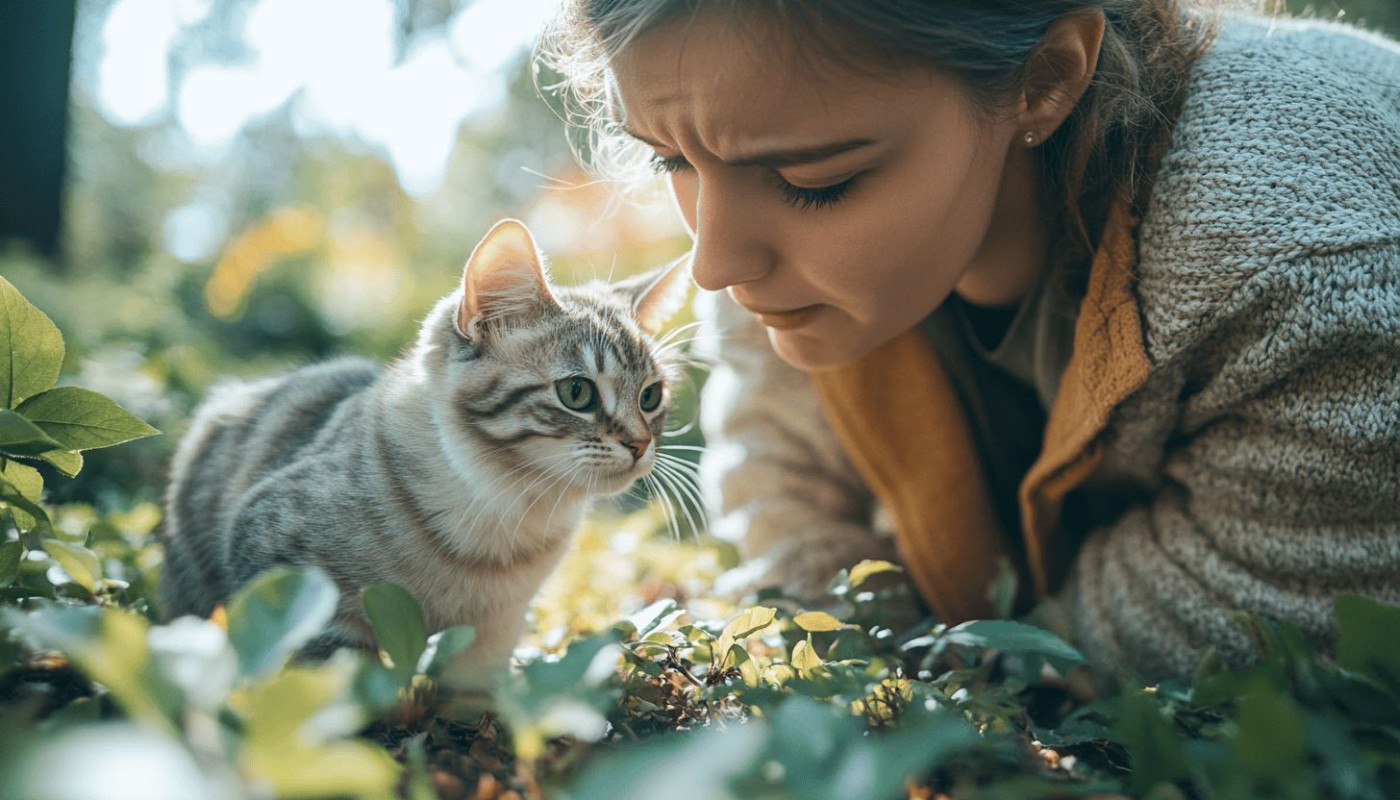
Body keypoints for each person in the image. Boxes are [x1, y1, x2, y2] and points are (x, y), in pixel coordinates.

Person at [538, 1, 1400, 682]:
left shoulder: (1294, 253)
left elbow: (1265, 607)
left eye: (816, 181)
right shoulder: (776, 235)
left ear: (1044, 81)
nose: (715, 261)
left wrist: (950, 671)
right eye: (669, 161)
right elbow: (784, 492)